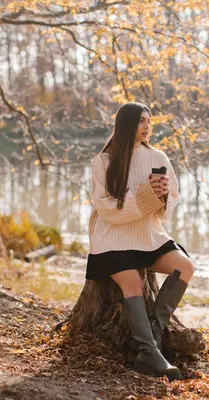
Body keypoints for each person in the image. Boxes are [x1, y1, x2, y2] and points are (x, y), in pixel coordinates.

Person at [85, 102, 194, 380]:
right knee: (132, 282)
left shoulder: (157, 156)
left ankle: (153, 337)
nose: (147, 126)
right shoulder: (104, 161)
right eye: (141, 121)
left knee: (185, 266)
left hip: (149, 235)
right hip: (112, 238)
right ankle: (148, 351)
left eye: (149, 120)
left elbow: (171, 200)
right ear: (126, 124)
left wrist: (162, 195)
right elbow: (106, 206)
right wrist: (145, 196)